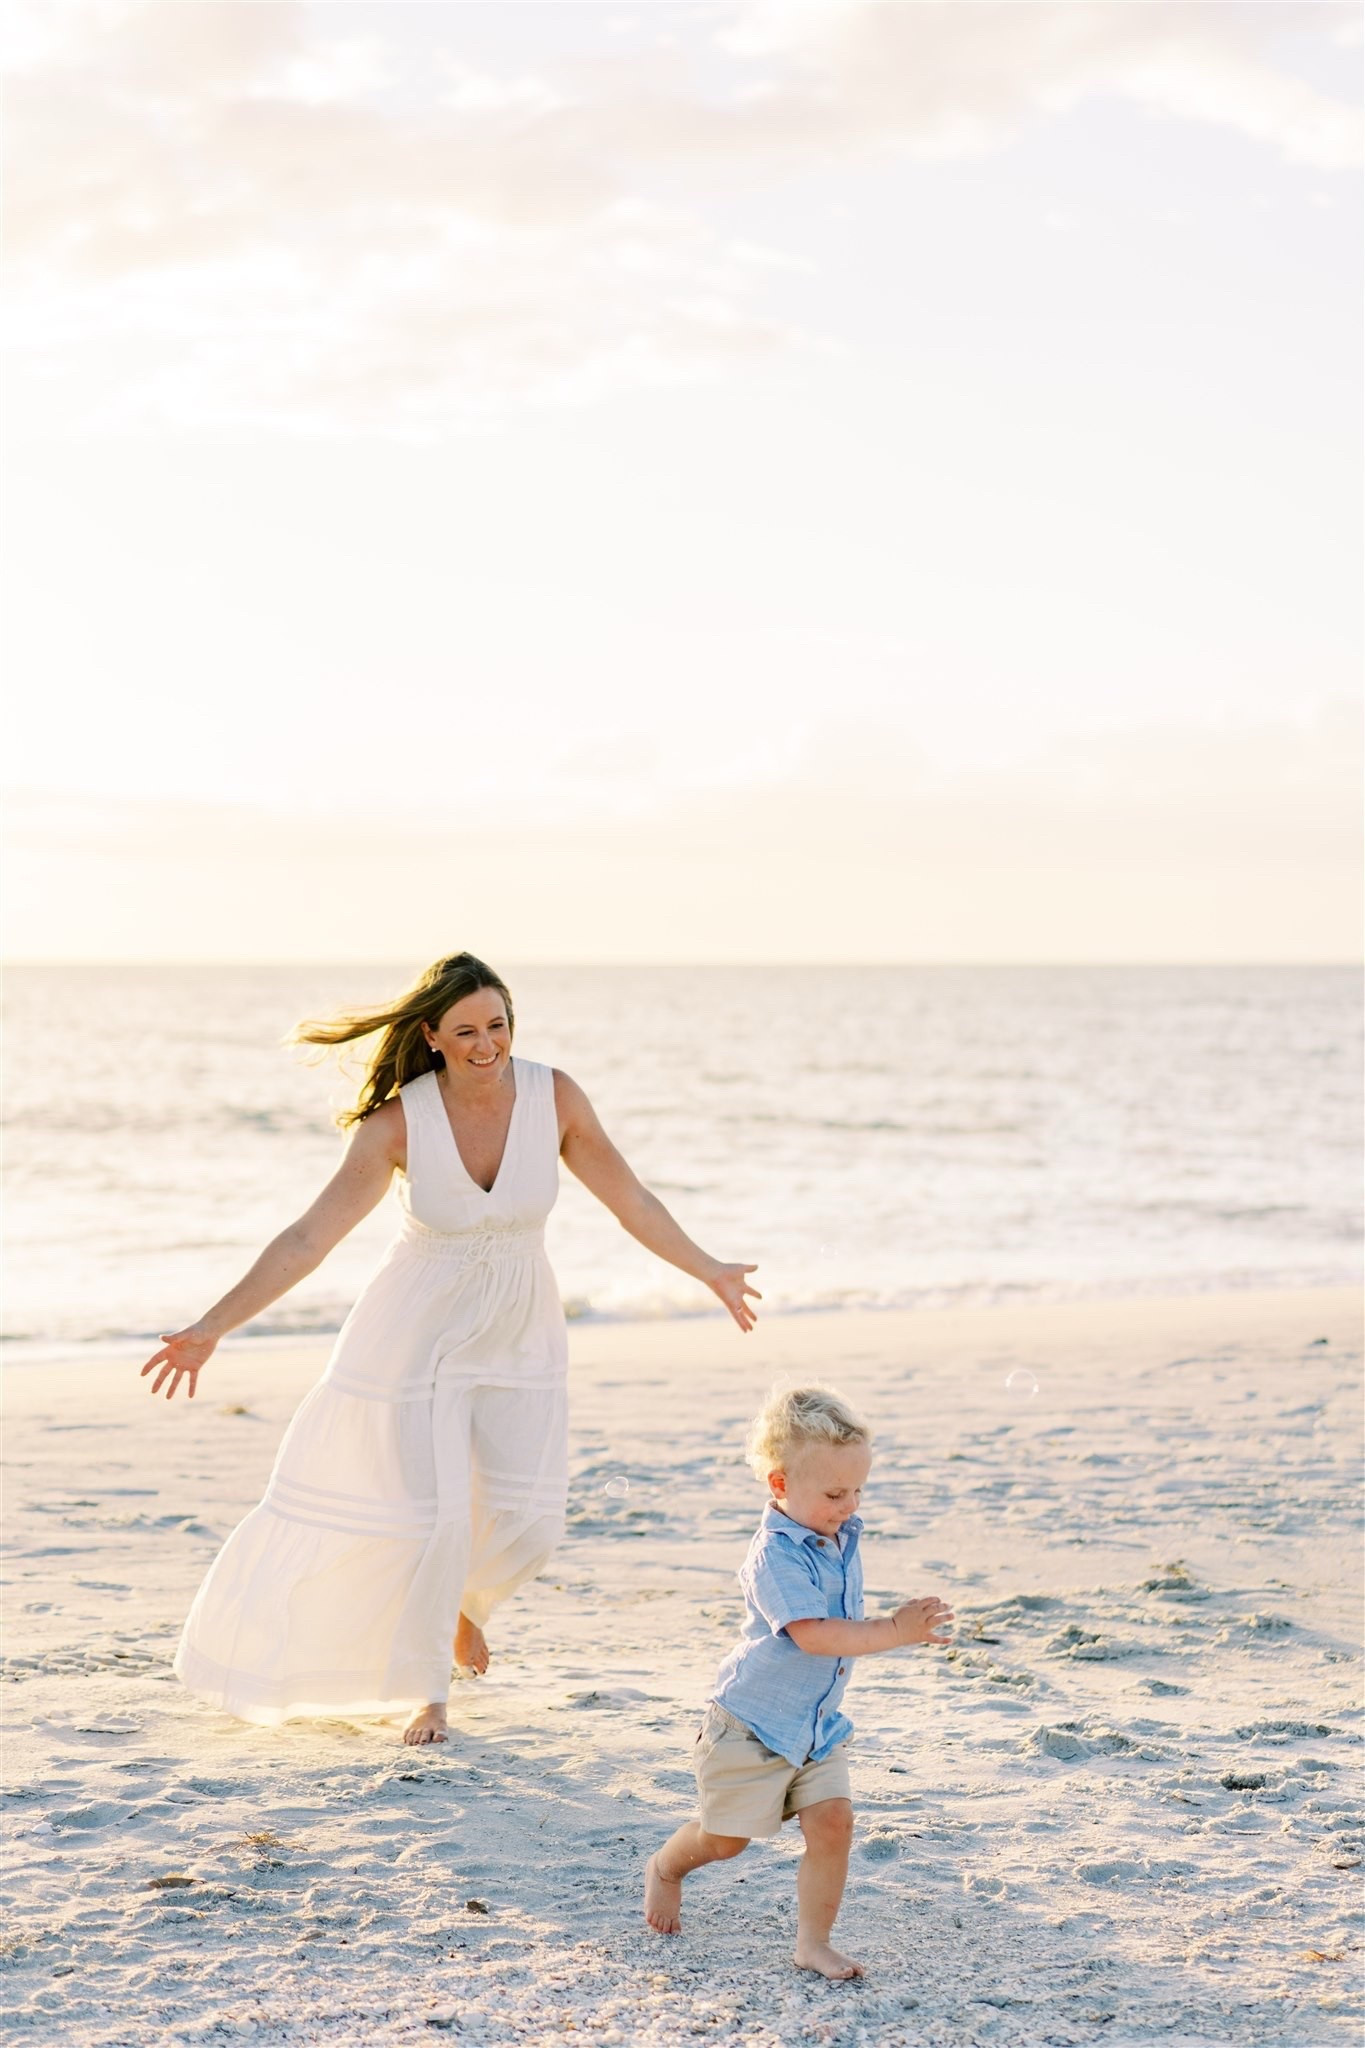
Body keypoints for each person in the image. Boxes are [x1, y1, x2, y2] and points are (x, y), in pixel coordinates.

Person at [141, 952, 759, 1747]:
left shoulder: (554, 1096)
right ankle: (425, 1692)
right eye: (465, 1030)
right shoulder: (399, 1123)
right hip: (414, 1335)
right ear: (430, 1035)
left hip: (519, 1325)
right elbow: (307, 1238)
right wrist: (210, 1328)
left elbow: (629, 1196)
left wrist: (706, 1268)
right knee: (432, 1516)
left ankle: (469, 1604)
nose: (485, 1044)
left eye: (497, 1025)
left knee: (530, 1518)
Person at [643, 1385, 953, 1979]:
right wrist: (893, 1628)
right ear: (780, 1485)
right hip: (750, 1727)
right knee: (726, 1842)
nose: (851, 1505)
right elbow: (814, 1635)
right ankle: (665, 1867)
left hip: (816, 1728)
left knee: (834, 1822)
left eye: (859, 1489)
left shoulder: (841, 1534)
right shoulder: (774, 1555)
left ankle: (813, 1943)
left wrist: (892, 1624)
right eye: (836, 1493)